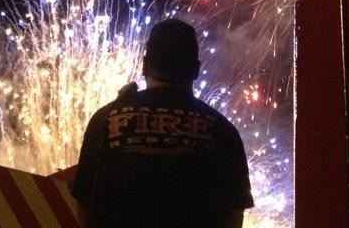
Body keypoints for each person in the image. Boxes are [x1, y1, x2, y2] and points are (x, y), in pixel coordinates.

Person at [71, 18, 254, 227]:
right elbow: (233, 213)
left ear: (145, 65)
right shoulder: (223, 131)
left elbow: (83, 199)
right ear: (196, 69)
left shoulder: (106, 118)